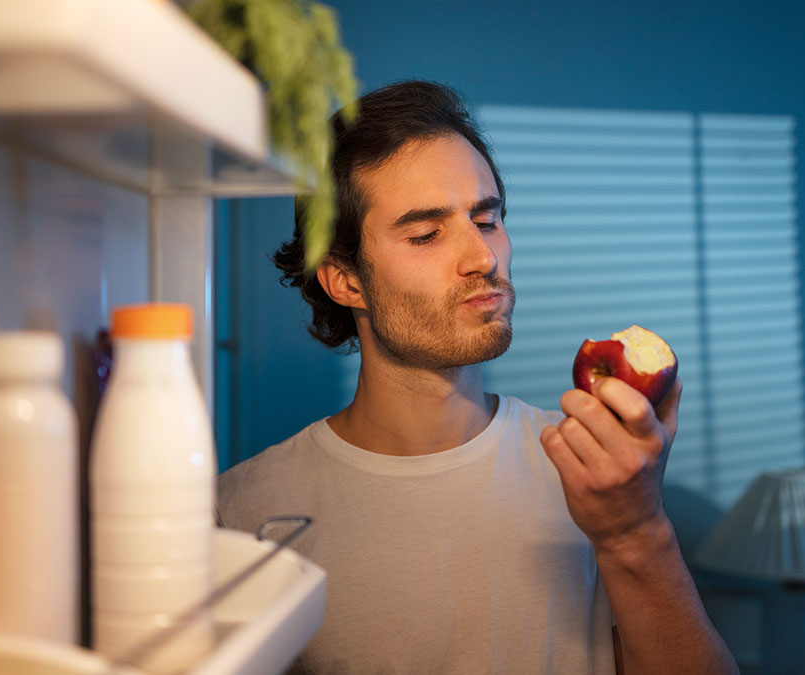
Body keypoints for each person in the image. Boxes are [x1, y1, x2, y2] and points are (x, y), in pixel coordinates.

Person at [216, 80, 737, 675]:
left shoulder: (592, 472)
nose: (482, 258)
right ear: (345, 280)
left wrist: (636, 533)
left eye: (487, 221)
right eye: (425, 234)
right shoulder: (246, 517)